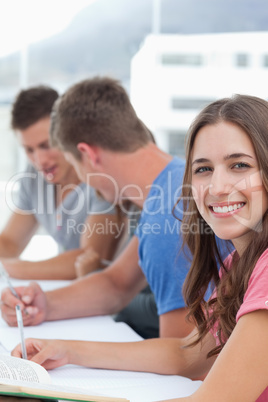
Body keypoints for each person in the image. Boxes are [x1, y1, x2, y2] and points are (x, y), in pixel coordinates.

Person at [13, 93, 268, 401]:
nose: (217, 187)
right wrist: (68, 349)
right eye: (203, 169)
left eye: (239, 165)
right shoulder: (240, 265)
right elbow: (186, 354)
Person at [1, 78, 229, 342]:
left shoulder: (170, 214)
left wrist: (70, 350)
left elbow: (183, 360)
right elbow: (118, 283)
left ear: (88, 155)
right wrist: (43, 304)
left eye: (75, 164)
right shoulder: (172, 182)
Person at [0, 85, 120, 280]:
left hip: (108, 295)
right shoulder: (34, 177)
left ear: (66, 133)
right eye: (29, 150)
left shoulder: (99, 177)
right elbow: (10, 243)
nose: (40, 161)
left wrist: (9, 269)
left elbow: (88, 258)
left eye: (46, 146)